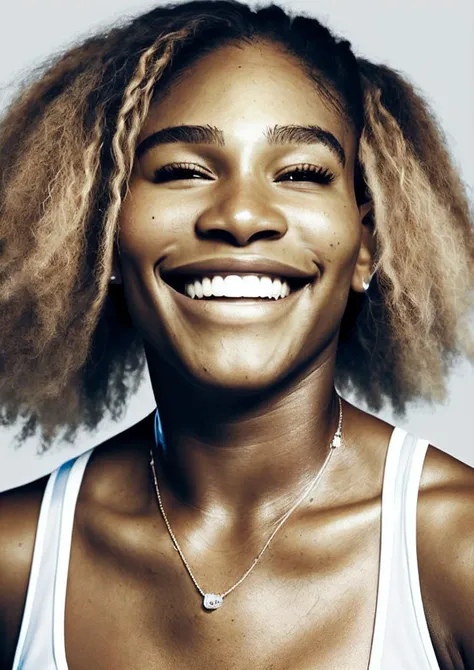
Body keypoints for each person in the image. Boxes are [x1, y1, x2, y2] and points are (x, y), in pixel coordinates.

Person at [0, 0, 473, 668]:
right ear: (100, 230)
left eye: (301, 173)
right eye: (184, 172)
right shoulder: (15, 561)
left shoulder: (457, 553)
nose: (243, 215)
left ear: (368, 245)